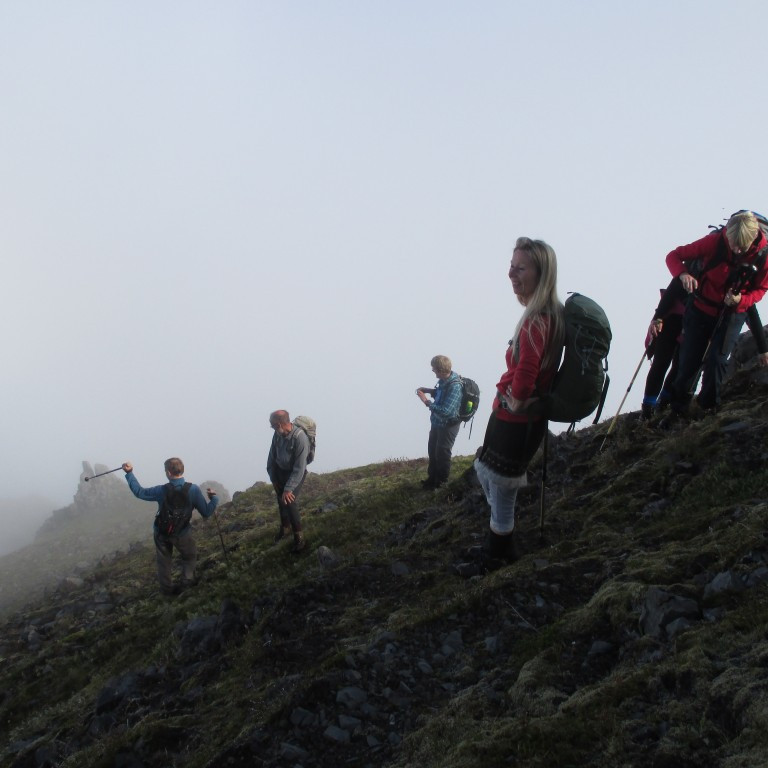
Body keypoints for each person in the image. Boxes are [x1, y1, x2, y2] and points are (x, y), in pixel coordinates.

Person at [473, 237, 565, 561]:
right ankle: (499, 546)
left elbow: (527, 371)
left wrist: (517, 399)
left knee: (499, 488)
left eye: (520, 268)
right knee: (492, 478)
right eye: (511, 266)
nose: (511, 274)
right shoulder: (550, 315)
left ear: (541, 274)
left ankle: (497, 555)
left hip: (515, 421)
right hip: (523, 422)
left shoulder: (535, 321)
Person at [660, 211, 768, 426]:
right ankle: (678, 410)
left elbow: (761, 289)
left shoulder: (764, 256)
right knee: (689, 361)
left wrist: (741, 299)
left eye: (741, 247)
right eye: (732, 244)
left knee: (717, 362)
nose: (736, 250)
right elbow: (674, 255)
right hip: (700, 309)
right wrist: (683, 274)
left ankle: (709, 408)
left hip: (732, 315)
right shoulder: (716, 242)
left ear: (751, 240)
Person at [642, 274, 768, 420]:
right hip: (675, 317)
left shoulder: (737, 288)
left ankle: (663, 403)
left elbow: (750, 311)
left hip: (695, 321)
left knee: (680, 366)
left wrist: (762, 348)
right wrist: (658, 317)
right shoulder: (704, 266)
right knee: (662, 362)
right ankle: (648, 409)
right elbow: (674, 287)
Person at [122, 458, 218, 596]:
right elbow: (207, 512)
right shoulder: (194, 490)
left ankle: (167, 591)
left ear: (168, 472)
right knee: (190, 556)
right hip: (182, 532)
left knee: (164, 562)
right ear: (182, 469)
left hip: (161, 532)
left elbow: (139, 492)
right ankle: (187, 584)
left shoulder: (162, 490)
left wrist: (129, 473)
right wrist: (213, 499)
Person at [415, 355, 463, 489]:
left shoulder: (455, 386)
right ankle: (432, 480)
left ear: (441, 370)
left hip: (448, 425)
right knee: (433, 451)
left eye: (434, 368)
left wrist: (426, 401)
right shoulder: (444, 381)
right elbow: (441, 396)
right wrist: (430, 391)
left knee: (442, 453)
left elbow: (446, 411)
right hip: (437, 423)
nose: (432, 370)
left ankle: (441, 483)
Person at [267, 410, 310, 552]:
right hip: (280, 472)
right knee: (281, 500)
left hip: (295, 474)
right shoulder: (277, 434)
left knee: (289, 500)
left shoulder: (300, 438)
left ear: (279, 424)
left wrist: (288, 488)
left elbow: (299, 467)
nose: (271, 427)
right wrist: (273, 478)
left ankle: (299, 537)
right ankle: (285, 528)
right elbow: (271, 457)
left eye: (272, 425)